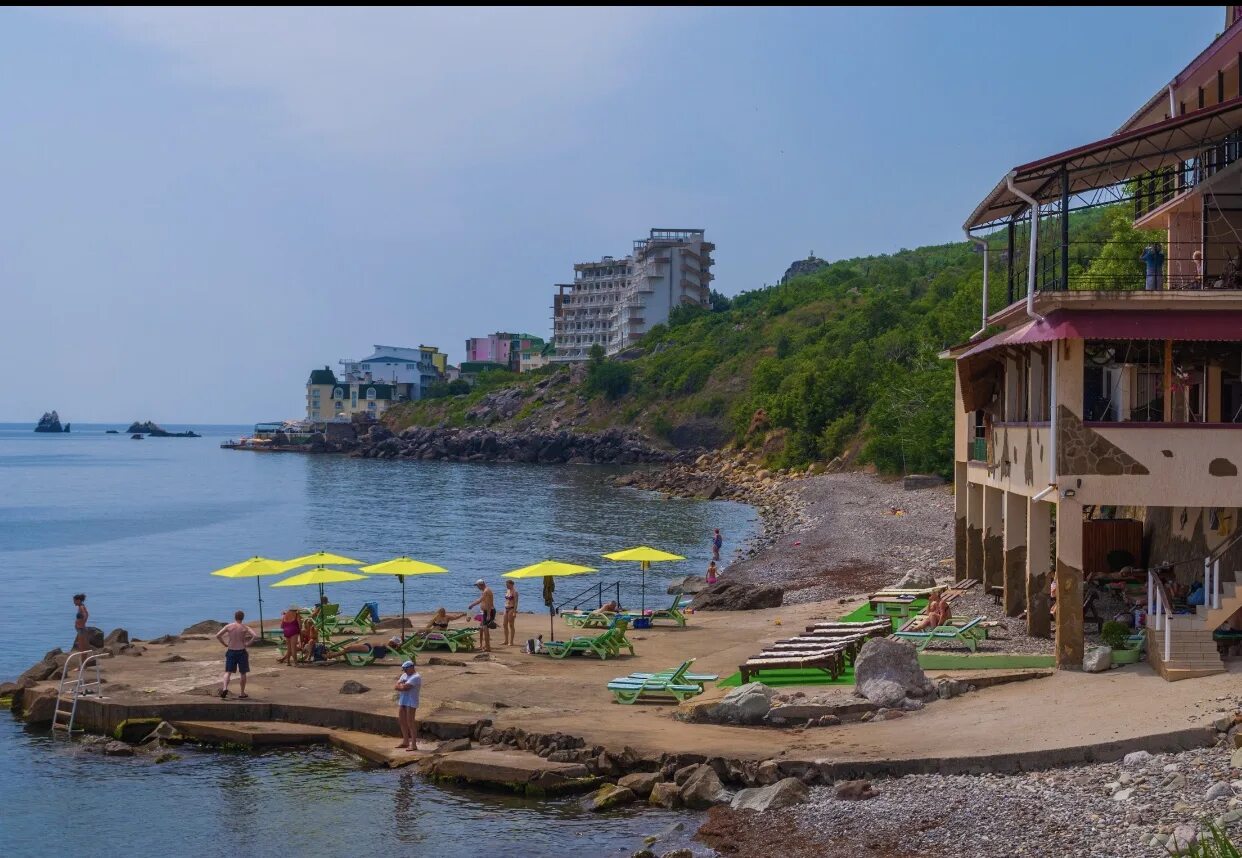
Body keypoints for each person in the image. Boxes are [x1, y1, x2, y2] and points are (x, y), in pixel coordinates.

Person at [216, 610, 257, 699]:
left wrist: (224, 644)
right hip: (241, 651)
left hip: (231, 650)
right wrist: (248, 643)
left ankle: (225, 688)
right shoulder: (245, 627)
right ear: (243, 618)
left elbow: (218, 635)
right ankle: (242, 693)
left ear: (235, 617)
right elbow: (255, 635)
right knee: (243, 673)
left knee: (228, 672)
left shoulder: (229, 626)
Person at [395, 659, 422, 751]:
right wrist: (401, 686)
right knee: (402, 721)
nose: (405, 671)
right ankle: (405, 741)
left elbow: (405, 688)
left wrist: (401, 685)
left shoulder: (416, 677)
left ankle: (413, 744)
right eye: (404, 670)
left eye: (406, 669)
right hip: (403, 701)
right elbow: (396, 686)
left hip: (411, 702)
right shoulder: (404, 675)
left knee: (410, 723)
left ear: (411, 667)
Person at [468, 579, 496, 652]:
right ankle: (487, 646)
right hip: (486, 611)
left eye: (477, 586)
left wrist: (488, 615)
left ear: (481, 585)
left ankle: (488, 648)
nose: (477, 587)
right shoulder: (485, 591)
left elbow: (489, 603)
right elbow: (480, 600)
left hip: (489, 611)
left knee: (485, 629)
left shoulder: (486, 591)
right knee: (485, 629)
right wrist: (472, 605)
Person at [502, 580, 519, 647]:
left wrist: (514, 612)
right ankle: (506, 640)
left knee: (511, 625)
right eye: (506, 585)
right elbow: (507, 600)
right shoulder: (507, 591)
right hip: (506, 608)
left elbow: (516, 602)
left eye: (508, 585)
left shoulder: (515, 592)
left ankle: (511, 641)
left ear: (512, 584)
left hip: (511, 609)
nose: (506, 586)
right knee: (504, 624)